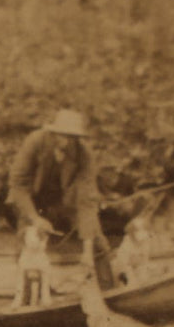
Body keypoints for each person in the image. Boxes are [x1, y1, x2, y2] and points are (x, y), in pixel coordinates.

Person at [7, 108, 115, 287]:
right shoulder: (35, 142)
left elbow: (87, 200)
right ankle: (27, 295)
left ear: (76, 137)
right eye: (59, 135)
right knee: (28, 240)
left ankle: (109, 289)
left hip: (62, 201)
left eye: (69, 136)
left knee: (96, 240)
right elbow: (18, 185)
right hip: (31, 200)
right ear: (52, 132)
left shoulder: (84, 155)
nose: (63, 140)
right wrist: (35, 218)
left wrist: (87, 251)